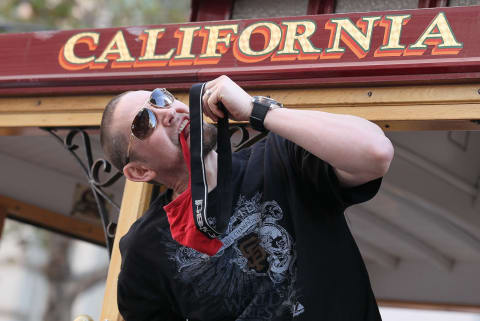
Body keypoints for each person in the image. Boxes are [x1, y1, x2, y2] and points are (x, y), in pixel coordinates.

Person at [100, 75, 394, 321]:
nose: (166, 112)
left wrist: (256, 109)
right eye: (144, 122)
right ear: (139, 171)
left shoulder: (280, 158)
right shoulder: (145, 250)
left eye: (160, 98)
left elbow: (376, 152)